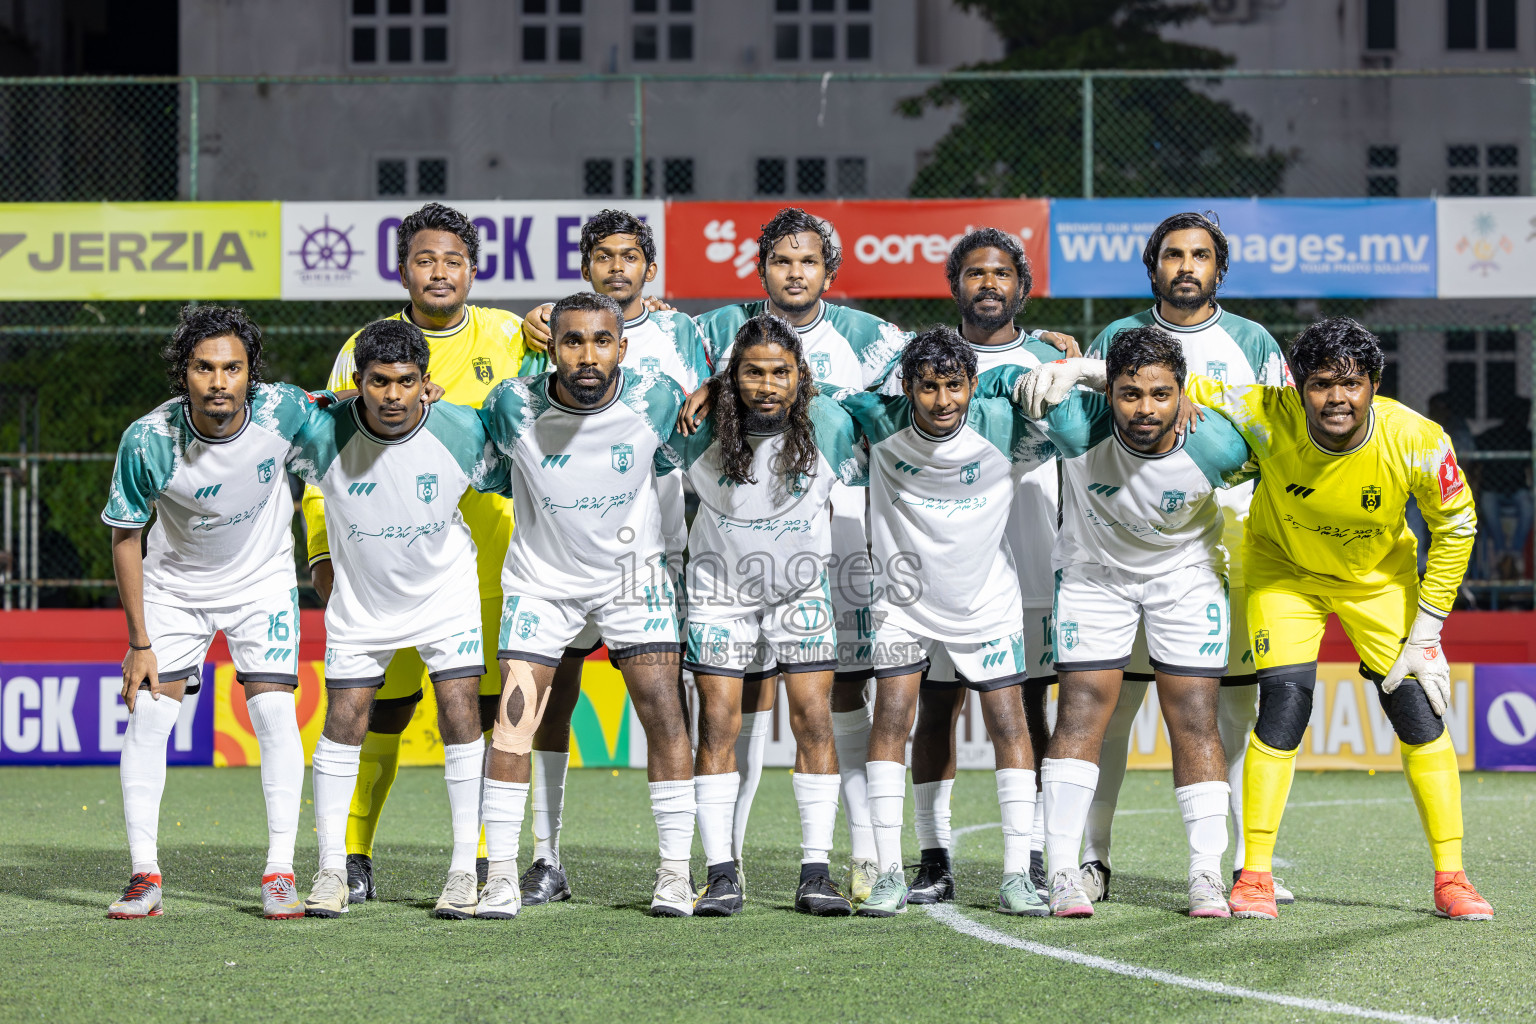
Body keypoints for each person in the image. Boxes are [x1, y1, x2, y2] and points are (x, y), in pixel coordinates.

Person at [1036, 317, 1494, 921]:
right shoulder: (1263, 409)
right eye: (1322, 383)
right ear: (1297, 387)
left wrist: (1429, 632)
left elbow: (1457, 525)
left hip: (1379, 581)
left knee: (1418, 709)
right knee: (1282, 705)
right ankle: (1253, 875)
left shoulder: (1419, 439)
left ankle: (1452, 878)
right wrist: (1080, 369)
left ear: (1374, 385)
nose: (1336, 398)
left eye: (1352, 384)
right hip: (1286, 575)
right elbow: (1175, 383)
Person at [303, 202, 528, 904]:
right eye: (425, 260)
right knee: (382, 713)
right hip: (378, 574)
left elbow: (585, 374)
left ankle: (487, 862)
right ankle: (351, 856)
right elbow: (325, 462)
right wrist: (320, 556)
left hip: (489, 570)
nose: (439, 272)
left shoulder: (516, 334)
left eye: (453, 260)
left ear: (473, 268)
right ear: (402, 269)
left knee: (487, 717)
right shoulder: (361, 349)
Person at [687, 207, 907, 902]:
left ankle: (837, 865)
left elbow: (943, 388)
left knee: (825, 712)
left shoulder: (861, 370)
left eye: (807, 261)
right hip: (726, 577)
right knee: (723, 720)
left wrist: (1053, 353)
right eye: (781, 261)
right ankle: (722, 870)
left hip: (821, 568)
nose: (795, 272)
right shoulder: (709, 366)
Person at [1076, 211, 1292, 904]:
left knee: (1231, 712)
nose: (1187, 266)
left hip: (1221, 554)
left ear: (1219, 269)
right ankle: (1091, 859)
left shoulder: (1252, 342)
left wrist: (1209, 414)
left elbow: (1281, 435)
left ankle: (1244, 867)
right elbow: (1084, 428)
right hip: (1123, 551)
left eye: (1200, 255)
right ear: (1154, 267)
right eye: (1173, 255)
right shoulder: (1116, 338)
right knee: (1113, 712)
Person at [474, 292, 697, 920]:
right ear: (553, 346)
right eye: (573, 341)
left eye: (602, 341)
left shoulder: (656, 397)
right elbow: (485, 467)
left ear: (622, 347)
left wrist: (712, 389)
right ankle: (500, 878)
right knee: (516, 720)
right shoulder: (512, 403)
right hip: (542, 582)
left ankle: (676, 874)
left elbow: (699, 450)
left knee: (664, 714)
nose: (588, 355)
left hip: (633, 577)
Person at [515, 209, 712, 907]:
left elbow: (724, 385)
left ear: (649, 269)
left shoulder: (684, 331)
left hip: (653, 542)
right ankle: (545, 859)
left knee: (667, 705)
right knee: (548, 704)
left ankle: (681, 865)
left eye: (631, 257)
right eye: (604, 257)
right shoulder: (546, 330)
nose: (619, 268)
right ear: (587, 268)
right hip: (560, 548)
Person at [827, 327, 1058, 918]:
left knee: (1010, 726)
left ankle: (1016, 875)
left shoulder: (1005, 425)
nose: (942, 400)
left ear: (972, 385)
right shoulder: (877, 420)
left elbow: (1085, 414)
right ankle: (887, 872)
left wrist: (1083, 369)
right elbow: (811, 397)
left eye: (954, 386)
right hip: (901, 602)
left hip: (987, 601)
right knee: (893, 721)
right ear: (907, 387)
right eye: (927, 387)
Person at [1025, 327, 1255, 919]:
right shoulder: (1076, 425)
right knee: (1080, 712)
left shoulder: (1219, 447)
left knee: (1195, 719)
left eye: (1160, 394)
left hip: (1185, 578)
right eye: (1129, 393)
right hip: (1093, 575)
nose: (1145, 408)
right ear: (1109, 394)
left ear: (1184, 394)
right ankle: (1061, 873)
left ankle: (1206, 874)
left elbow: (1276, 433)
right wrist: (1076, 366)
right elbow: (998, 373)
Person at [102, 305, 323, 920]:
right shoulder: (148, 439)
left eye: (233, 368)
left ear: (251, 374)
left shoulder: (284, 411)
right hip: (174, 589)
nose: (220, 382)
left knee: (276, 713)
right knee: (148, 719)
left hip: (263, 583)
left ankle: (280, 870)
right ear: (185, 373)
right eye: (204, 368)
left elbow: (349, 403)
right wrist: (139, 641)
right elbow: (125, 535)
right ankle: (144, 875)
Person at [899, 227, 1078, 905]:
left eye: (1001, 273)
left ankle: (1029, 853)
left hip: (1028, 560)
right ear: (955, 286)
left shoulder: (1050, 358)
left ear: (1021, 287)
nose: (988, 284)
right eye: (974, 273)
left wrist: (1073, 356)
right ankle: (933, 857)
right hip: (941, 567)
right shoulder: (924, 360)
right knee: (935, 706)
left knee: (1027, 708)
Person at [666, 314, 867, 916]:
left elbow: (892, 401)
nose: (767, 385)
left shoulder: (830, 424)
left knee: (814, 721)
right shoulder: (697, 429)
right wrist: (705, 388)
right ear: (733, 377)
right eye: (752, 372)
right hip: (718, 591)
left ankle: (816, 874)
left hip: (799, 594)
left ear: (800, 376)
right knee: (718, 727)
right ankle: (722, 874)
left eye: (781, 372)